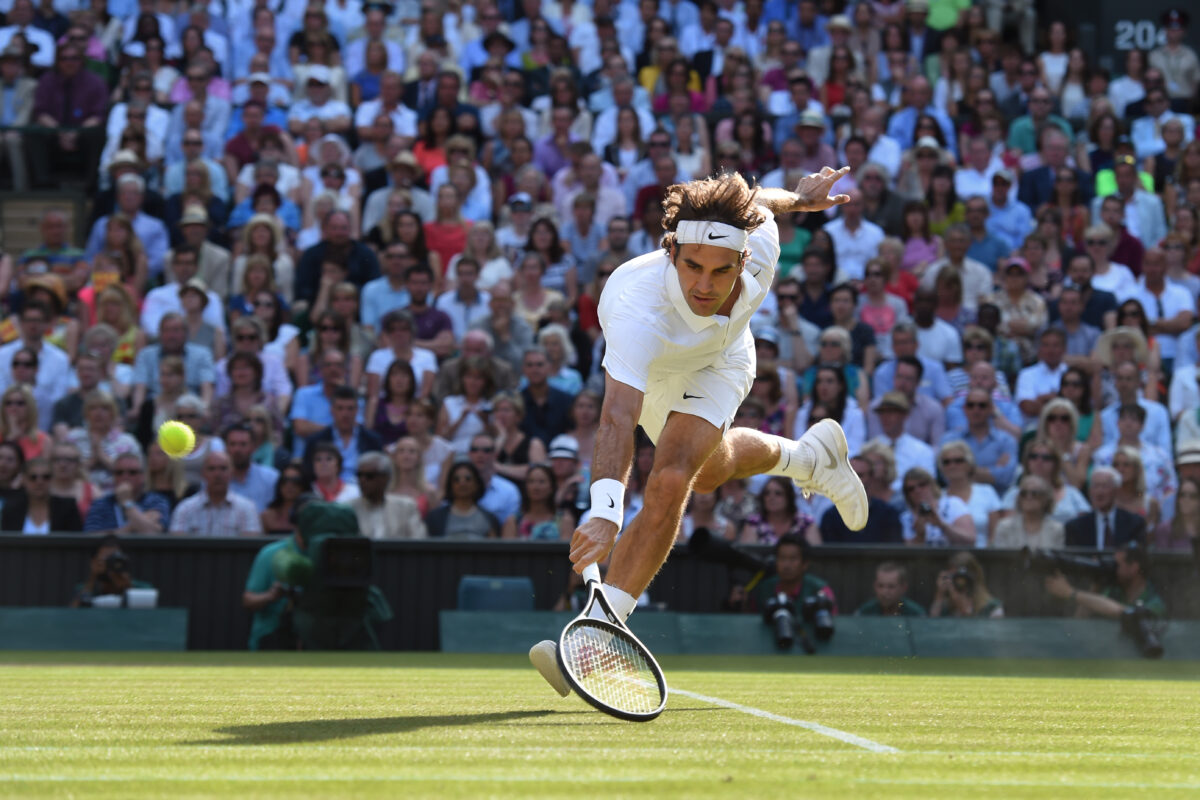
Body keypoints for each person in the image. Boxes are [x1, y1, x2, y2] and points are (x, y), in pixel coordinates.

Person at [530, 168, 867, 696]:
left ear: (742, 258)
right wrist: (605, 515)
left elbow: (761, 202)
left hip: (724, 359)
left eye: (720, 270)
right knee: (708, 473)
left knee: (671, 477)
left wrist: (800, 199)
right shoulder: (637, 309)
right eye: (692, 267)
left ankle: (596, 637)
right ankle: (807, 458)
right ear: (671, 252)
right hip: (657, 370)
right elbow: (616, 417)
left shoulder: (761, 246)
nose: (704, 285)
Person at [1043, 541, 1164, 621]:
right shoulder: (1113, 591)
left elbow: (1123, 613)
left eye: (1117, 565)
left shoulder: (1154, 602)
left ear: (1134, 567)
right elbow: (1079, 622)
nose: (1113, 569)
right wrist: (1096, 584)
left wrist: (1070, 593)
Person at [169, 450, 263, 537]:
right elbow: (177, 547)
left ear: (232, 472)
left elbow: (249, 547)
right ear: (203, 473)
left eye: (223, 468)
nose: (217, 474)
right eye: (211, 469)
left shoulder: (247, 508)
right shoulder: (185, 509)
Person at [739, 534, 838, 614]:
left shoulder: (820, 590)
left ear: (805, 564)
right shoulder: (763, 588)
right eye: (782, 558)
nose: (786, 565)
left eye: (793, 559)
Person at [83, 451, 171, 534]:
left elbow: (152, 533)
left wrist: (127, 503)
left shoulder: (156, 501)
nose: (125, 476)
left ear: (143, 476)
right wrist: (134, 526)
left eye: (132, 472)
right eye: (119, 473)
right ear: (113, 477)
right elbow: (92, 539)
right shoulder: (100, 504)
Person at [348, 452, 426, 539]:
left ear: (385, 478)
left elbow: (418, 540)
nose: (362, 480)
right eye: (359, 475)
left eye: (369, 476)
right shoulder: (348, 509)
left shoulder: (406, 507)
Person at [0, 457, 82, 533]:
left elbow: (77, 542)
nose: (39, 482)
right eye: (33, 477)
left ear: (53, 479)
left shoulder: (67, 507)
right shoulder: (10, 508)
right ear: (24, 480)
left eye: (46, 477)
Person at [70, 535, 154, 608]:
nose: (111, 564)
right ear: (94, 562)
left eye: (114, 559)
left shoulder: (143, 589)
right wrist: (93, 577)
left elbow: (147, 617)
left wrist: (127, 588)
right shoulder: (84, 588)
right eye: (106, 559)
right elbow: (73, 616)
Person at [900, 466, 974, 546]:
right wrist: (920, 535)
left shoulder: (953, 504)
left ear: (932, 484)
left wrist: (942, 525)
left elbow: (970, 540)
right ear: (906, 494)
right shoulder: (906, 518)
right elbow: (907, 554)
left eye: (922, 485)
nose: (917, 490)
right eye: (911, 489)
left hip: (955, 556)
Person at [425, 461, 502, 539]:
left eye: (468, 479)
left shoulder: (489, 518)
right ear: (450, 485)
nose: (462, 483)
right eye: (456, 479)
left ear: (477, 484)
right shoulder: (435, 518)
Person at [993, 475, 1065, 549]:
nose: (1028, 497)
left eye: (1034, 493)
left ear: (1045, 499)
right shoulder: (1004, 527)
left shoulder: (1057, 530)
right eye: (1024, 493)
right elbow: (1001, 558)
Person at [930, 552, 1004, 618]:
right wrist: (939, 595)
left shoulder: (992, 607)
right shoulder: (945, 606)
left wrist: (965, 613)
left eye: (962, 578)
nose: (959, 583)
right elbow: (933, 626)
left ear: (975, 577)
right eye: (954, 577)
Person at [855, 562, 926, 616]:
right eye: (880, 586)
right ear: (874, 586)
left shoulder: (916, 614)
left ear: (903, 588)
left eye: (891, 586)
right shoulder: (864, 612)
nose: (885, 592)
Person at [260, 463, 307, 536]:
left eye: (295, 481)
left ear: (303, 485)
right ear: (279, 484)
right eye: (285, 480)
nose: (289, 485)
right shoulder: (267, 516)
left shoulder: (309, 515)